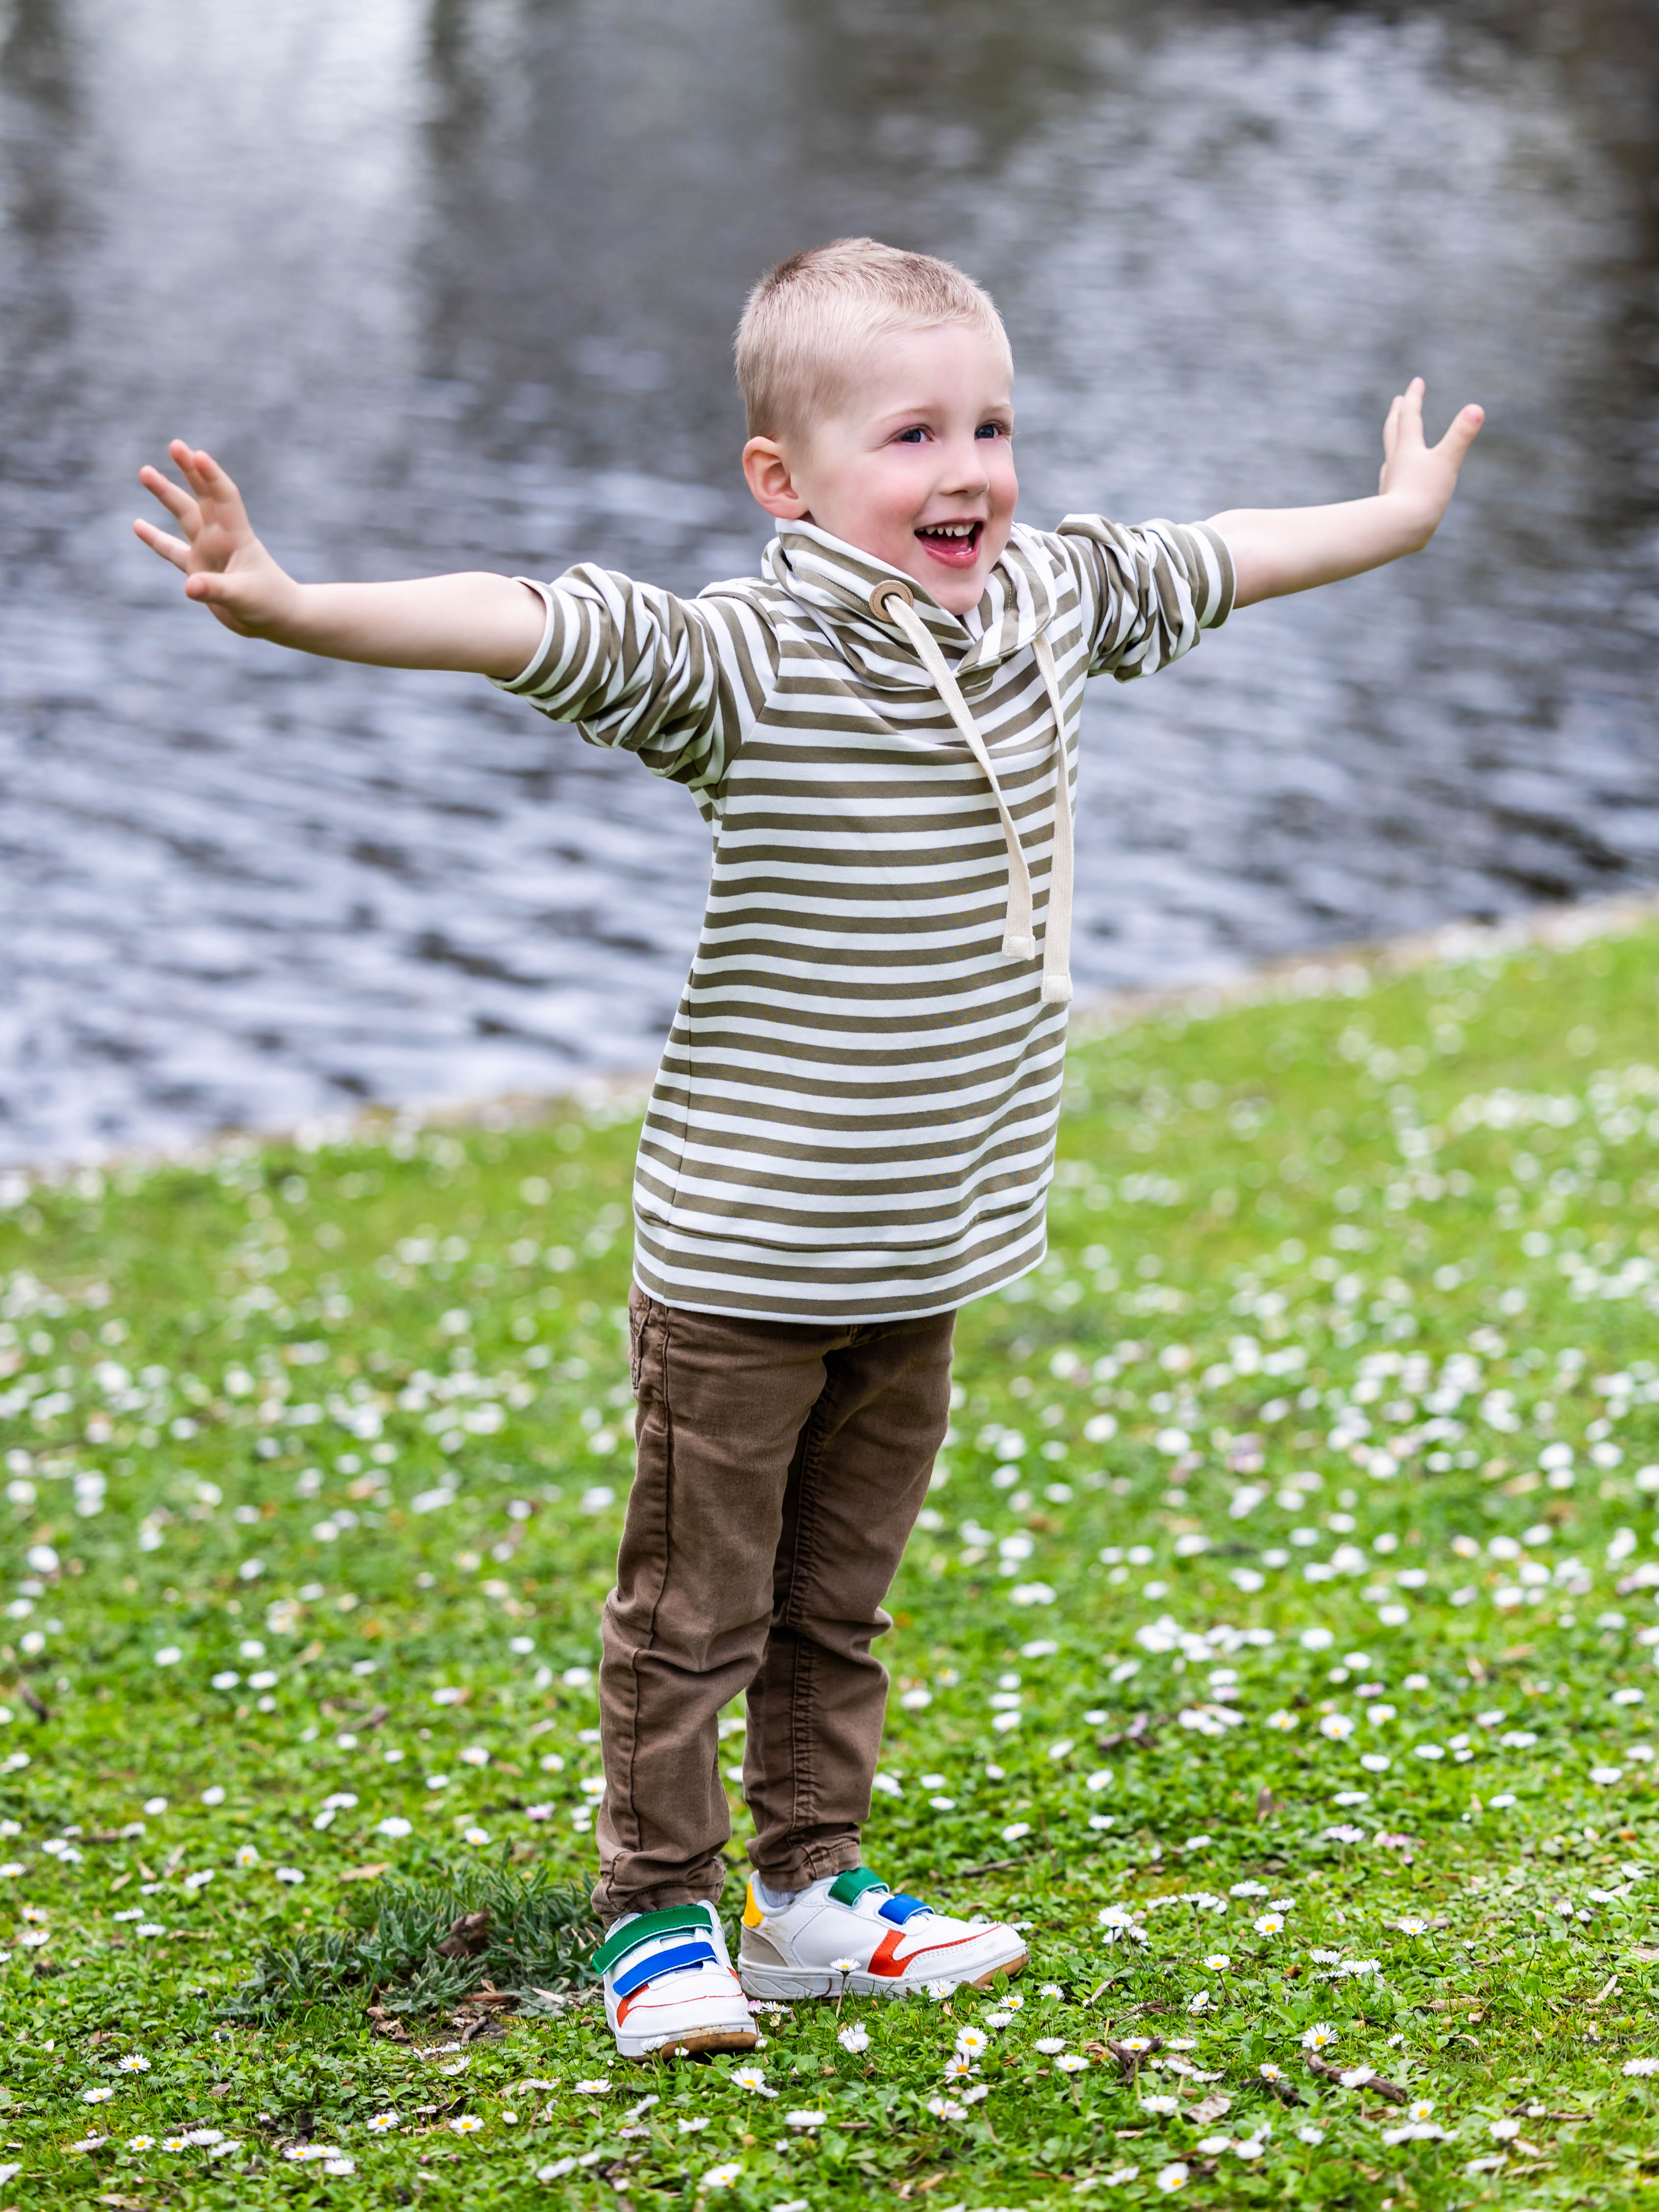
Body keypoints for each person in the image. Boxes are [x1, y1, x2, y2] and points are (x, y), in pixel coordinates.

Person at [135, 237, 1482, 2061]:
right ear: (786, 479)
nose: (968, 471)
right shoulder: (739, 660)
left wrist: (1392, 520)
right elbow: (524, 617)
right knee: (694, 1615)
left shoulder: (1051, 603)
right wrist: (292, 603)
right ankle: (656, 1913)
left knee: (837, 1609)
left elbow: (1231, 551)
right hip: (747, 1261)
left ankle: (811, 1898)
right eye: (912, 434)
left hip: (924, 1245)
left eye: (991, 425)